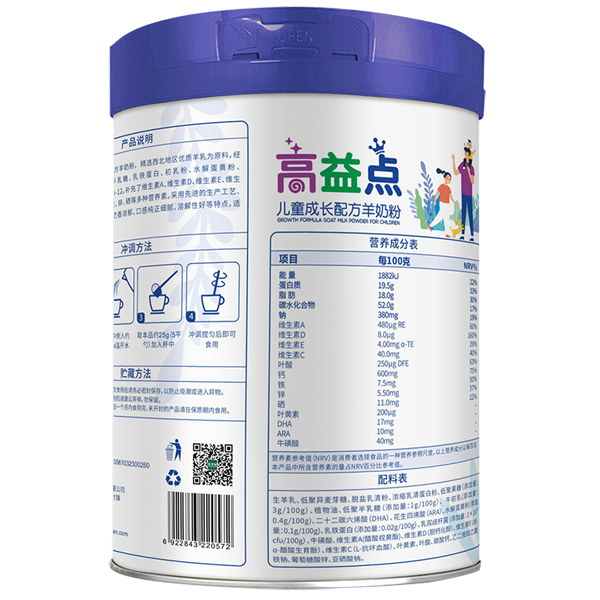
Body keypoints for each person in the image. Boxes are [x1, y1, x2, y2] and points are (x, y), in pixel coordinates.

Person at [453, 148, 475, 241]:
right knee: (463, 213)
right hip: (463, 192)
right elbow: (455, 172)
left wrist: (469, 171)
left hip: (469, 193)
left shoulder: (472, 168)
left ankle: (472, 235)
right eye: (465, 153)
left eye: (467, 154)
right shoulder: (462, 165)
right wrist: (453, 160)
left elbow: (472, 181)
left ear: (469, 155)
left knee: (470, 214)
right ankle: (462, 234)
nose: (465, 155)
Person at [428, 169, 457, 237]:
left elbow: (450, 196)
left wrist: (453, 202)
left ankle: (432, 226)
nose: (448, 180)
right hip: (443, 203)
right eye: (447, 178)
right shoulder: (441, 186)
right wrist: (435, 200)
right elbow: (437, 193)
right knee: (444, 217)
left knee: (443, 217)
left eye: (449, 179)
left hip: (447, 203)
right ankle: (446, 232)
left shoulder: (448, 188)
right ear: (444, 178)